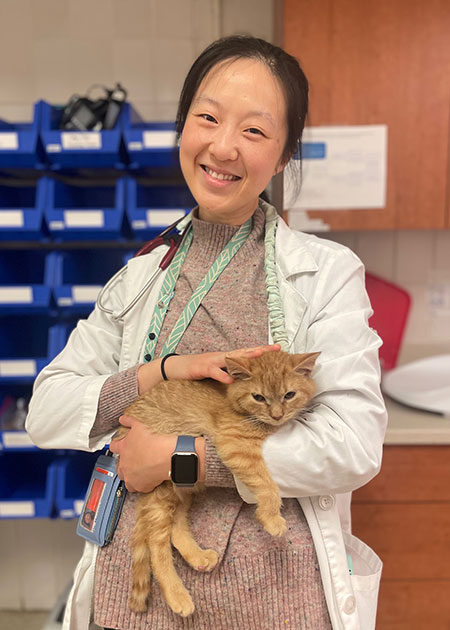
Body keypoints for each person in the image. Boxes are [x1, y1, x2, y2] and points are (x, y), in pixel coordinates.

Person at [26, 35, 387, 630]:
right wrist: (156, 373)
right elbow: (45, 409)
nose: (222, 146)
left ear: (285, 152)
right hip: (133, 606)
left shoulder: (325, 273)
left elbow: (351, 446)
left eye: (254, 130)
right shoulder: (141, 276)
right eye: (208, 118)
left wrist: (181, 458)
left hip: (272, 603)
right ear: (182, 127)